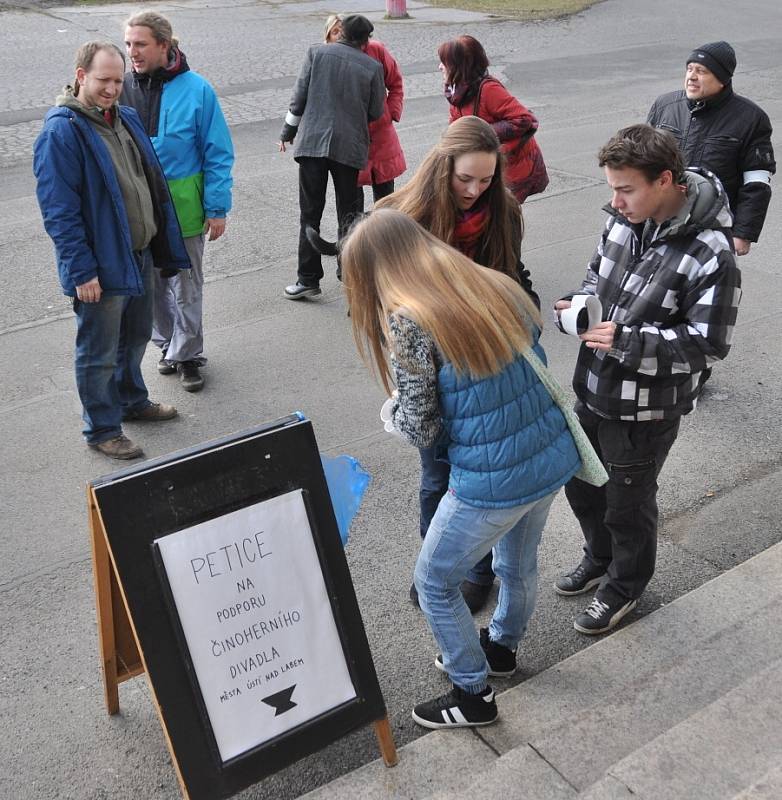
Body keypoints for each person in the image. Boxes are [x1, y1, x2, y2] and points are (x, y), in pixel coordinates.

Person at [341, 209, 581, 728]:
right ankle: (500, 650)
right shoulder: (489, 282)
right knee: (516, 565)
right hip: (546, 459)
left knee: (433, 582)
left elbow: (424, 430)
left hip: (490, 480)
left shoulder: (409, 320)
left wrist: (393, 415)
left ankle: (471, 694)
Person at [554, 124, 741, 634]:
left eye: (625, 189)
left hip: (646, 408)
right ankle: (601, 559)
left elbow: (707, 344)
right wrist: (578, 305)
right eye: (612, 189)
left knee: (627, 503)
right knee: (584, 487)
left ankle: (625, 586)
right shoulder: (623, 221)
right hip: (592, 389)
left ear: (665, 181)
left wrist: (625, 341)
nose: (615, 202)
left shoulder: (711, 254)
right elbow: (597, 275)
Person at [376, 115, 538, 612]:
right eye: (464, 178)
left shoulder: (503, 212)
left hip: (486, 368)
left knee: (481, 480)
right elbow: (379, 294)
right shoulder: (402, 217)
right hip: (429, 368)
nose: (474, 190)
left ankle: (477, 573)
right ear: (441, 167)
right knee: (435, 477)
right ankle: (438, 566)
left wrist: (522, 309)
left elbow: (514, 276)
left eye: (486, 180)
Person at [33, 41, 190, 460]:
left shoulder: (125, 117)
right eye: (103, 80)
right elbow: (59, 212)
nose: (112, 89)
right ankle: (102, 428)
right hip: (99, 266)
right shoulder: (61, 132)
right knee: (98, 350)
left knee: (136, 335)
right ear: (81, 75)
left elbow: (149, 182)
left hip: (136, 253)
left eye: (118, 81)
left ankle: (131, 401)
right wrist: (81, 271)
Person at [122, 11, 235, 392]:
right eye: (128, 44)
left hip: (185, 207)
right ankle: (167, 344)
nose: (132, 52)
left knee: (187, 286)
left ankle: (188, 354)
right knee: (151, 286)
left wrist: (217, 208)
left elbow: (217, 151)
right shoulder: (121, 88)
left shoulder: (198, 89)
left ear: (164, 46)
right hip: (140, 208)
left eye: (140, 44)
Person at [280, 14, 385, 300]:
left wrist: (287, 131)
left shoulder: (316, 53)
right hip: (349, 149)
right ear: (365, 41)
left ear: (340, 34)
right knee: (350, 216)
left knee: (309, 213)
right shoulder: (373, 67)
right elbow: (377, 111)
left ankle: (307, 279)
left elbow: (298, 98)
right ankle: (350, 277)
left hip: (312, 144)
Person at [647, 41, 775, 256]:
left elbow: (756, 182)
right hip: (660, 220)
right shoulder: (664, 106)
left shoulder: (751, 119)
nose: (691, 76)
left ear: (722, 80)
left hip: (712, 228)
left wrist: (743, 233)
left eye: (701, 71)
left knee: (706, 288)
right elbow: (640, 163)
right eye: (689, 69)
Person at [438, 35, 548, 204]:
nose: (440, 67)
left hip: (511, 170)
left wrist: (479, 132)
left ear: (460, 67)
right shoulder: (458, 90)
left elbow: (524, 119)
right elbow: (457, 127)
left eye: (445, 63)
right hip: (485, 169)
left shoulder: (488, 89)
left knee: (501, 219)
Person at [323, 14, 406, 212]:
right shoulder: (327, 58)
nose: (339, 36)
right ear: (328, 38)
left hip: (380, 136)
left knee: (386, 200)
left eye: (341, 31)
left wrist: (390, 113)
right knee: (351, 205)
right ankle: (354, 241)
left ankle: (386, 239)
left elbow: (395, 82)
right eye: (334, 32)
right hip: (350, 139)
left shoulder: (376, 50)